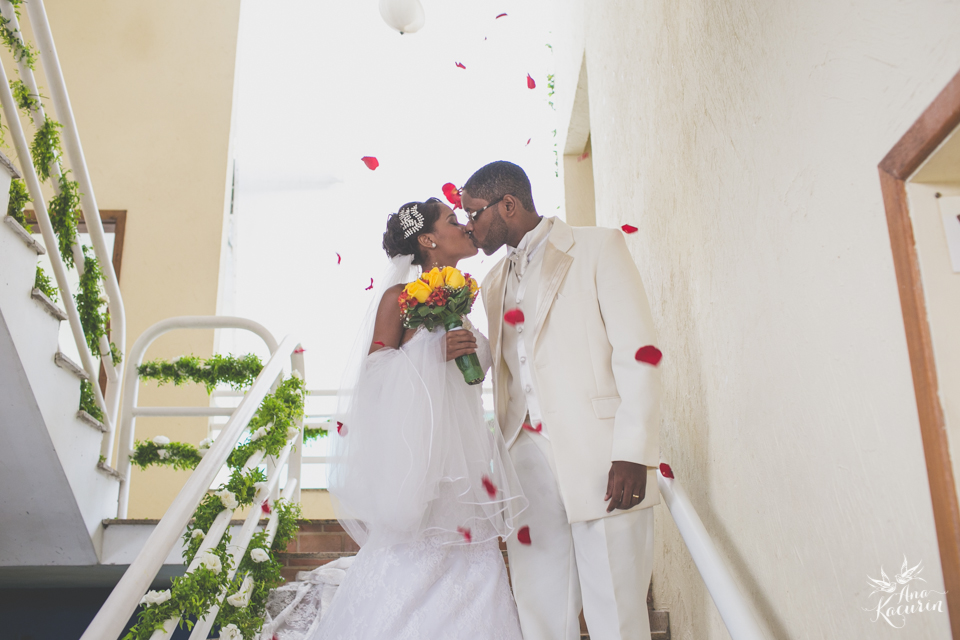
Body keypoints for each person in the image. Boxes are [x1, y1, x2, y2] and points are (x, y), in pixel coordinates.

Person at [264, 197, 527, 640]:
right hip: (421, 468)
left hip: (462, 465)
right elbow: (376, 374)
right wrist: (433, 353)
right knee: (410, 570)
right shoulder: (397, 299)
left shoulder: (462, 297)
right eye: (451, 220)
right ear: (428, 240)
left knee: (475, 568)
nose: (462, 224)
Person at [463, 161, 662, 640]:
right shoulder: (492, 282)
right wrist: (445, 324)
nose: (470, 227)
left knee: (616, 611)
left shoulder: (599, 247)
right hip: (524, 461)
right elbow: (501, 358)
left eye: (474, 214)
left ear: (507, 204)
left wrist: (632, 451)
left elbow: (639, 354)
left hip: (600, 454)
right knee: (540, 612)